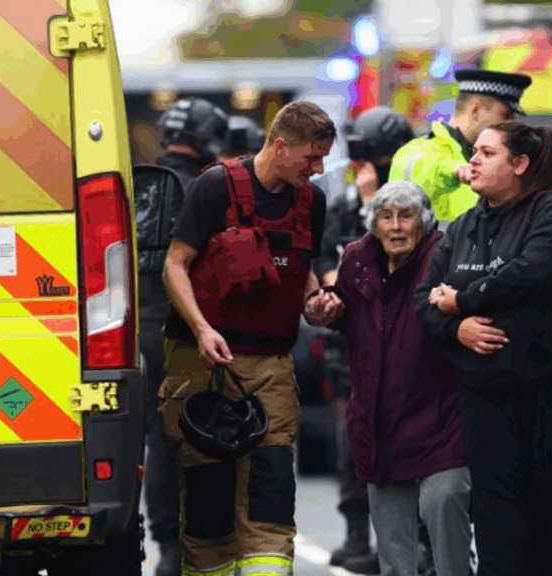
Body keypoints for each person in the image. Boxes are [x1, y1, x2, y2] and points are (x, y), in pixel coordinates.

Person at [157, 100, 339, 576]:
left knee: (271, 490)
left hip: (271, 363)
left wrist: (316, 303)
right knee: (209, 499)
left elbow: (302, 269)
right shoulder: (214, 186)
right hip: (203, 363)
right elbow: (175, 264)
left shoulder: (312, 202)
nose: (318, 170)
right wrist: (201, 329)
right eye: (311, 158)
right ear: (279, 146)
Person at [415, 121, 552, 576]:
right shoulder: (464, 225)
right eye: (474, 151)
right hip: (486, 392)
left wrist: (465, 300)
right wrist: (455, 328)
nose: (473, 160)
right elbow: (424, 299)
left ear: (519, 164)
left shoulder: (551, 211)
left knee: (551, 511)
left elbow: (532, 271)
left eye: (487, 152)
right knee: (496, 515)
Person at [308, 180, 472, 576]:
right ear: (374, 224)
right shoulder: (357, 259)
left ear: (424, 221)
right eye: (386, 217)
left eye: (406, 216)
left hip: (442, 418)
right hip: (379, 420)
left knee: (443, 503)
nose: (396, 227)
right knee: (394, 552)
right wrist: (324, 310)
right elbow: (343, 311)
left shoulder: (445, 256)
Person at [315, 107, 416, 570]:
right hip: (351, 347)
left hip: (403, 344)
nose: (361, 168)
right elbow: (328, 263)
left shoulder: (411, 210)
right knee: (352, 440)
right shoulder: (343, 207)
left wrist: (376, 206)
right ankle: (358, 534)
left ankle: (406, 544)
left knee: (405, 443)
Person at [140, 96, 230, 576]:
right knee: (189, 440)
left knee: (151, 441)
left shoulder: (137, 184)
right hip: (185, 332)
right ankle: (193, 545)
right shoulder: (206, 188)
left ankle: (162, 545)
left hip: (131, 330)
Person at [390, 69, 532, 224]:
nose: (511, 124)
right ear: (475, 109)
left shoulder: (494, 159)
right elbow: (419, 168)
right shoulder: (420, 150)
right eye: (505, 115)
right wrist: (454, 170)